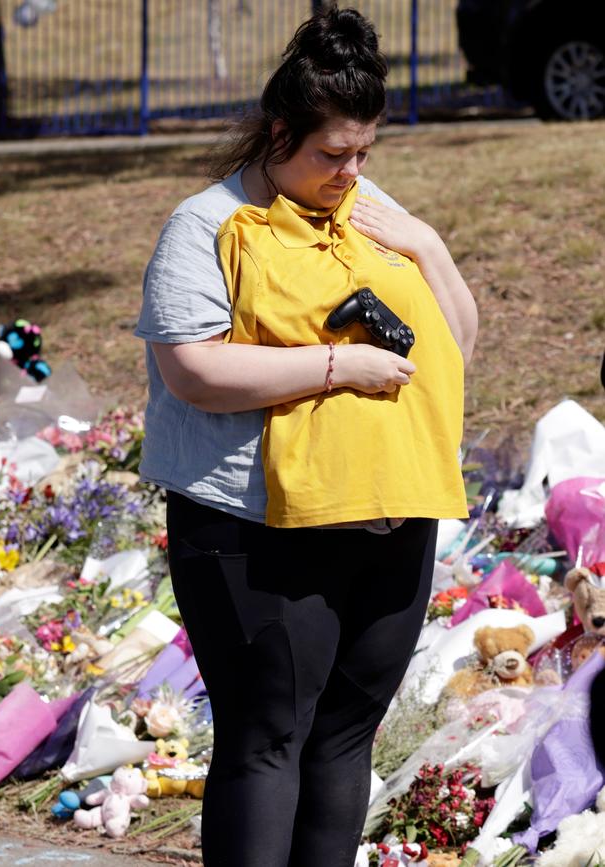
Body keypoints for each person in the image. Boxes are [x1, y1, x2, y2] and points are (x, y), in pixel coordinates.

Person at [134, 6, 478, 866]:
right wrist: (336, 369)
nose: (350, 172)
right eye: (333, 154)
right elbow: (194, 370)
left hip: (386, 513)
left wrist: (429, 247)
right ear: (279, 132)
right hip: (252, 526)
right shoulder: (205, 226)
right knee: (266, 737)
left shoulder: (371, 209)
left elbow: (455, 347)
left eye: (365, 153)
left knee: (342, 739)